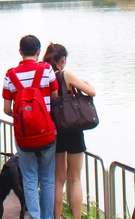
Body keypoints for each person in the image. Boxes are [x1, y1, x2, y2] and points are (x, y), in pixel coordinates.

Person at [3, 34, 58, 219]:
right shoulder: (47, 70)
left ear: (20, 52)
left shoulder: (10, 75)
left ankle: (34, 216)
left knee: (29, 179)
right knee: (48, 179)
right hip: (47, 134)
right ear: (38, 51)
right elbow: (55, 96)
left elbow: (6, 109)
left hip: (24, 136)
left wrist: (23, 116)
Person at [44, 43, 97, 219]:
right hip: (73, 129)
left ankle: (56, 217)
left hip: (55, 130)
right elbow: (91, 91)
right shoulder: (66, 75)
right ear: (63, 60)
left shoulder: (46, 76)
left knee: (58, 179)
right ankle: (76, 217)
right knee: (75, 178)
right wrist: (86, 82)